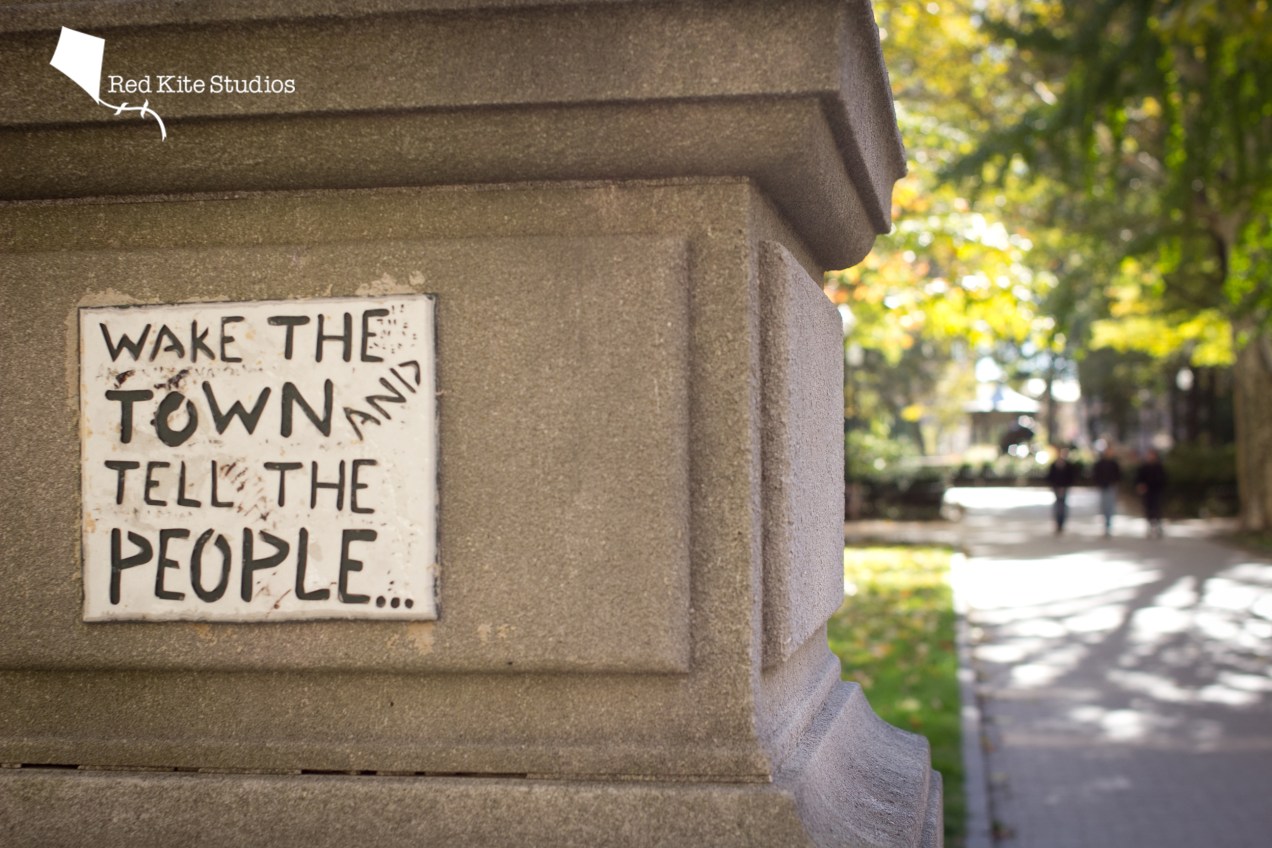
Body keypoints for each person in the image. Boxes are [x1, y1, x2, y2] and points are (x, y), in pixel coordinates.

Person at [1135, 449, 1168, 538]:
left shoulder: (1159, 467)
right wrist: (1140, 486)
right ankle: (1150, 527)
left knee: (1157, 509)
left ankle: (1158, 527)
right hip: (1147, 492)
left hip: (1157, 490)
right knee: (1148, 509)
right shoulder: (1144, 467)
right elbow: (1139, 478)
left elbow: (1163, 479)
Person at [1092, 446, 1123, 536]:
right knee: (1104, 506)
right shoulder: (1101, 463)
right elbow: (1096, 474)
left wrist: (1115, 483)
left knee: (1110, 506)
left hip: (1111, 487)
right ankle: (1106, 524)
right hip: (1103, 487)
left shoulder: (1114, 463)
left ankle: (1109, 524)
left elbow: (1118, 475)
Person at [1047, 447, 1078, 534]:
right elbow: (1050, 477)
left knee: (1063, 506)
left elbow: (1071, 477)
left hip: (1065, 488)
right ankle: (1057, 523)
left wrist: (1066, 486)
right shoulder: (1054, 465)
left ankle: (1062, 523)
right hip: (1056, 488)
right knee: (1057, 506)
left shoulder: (1068, 465)